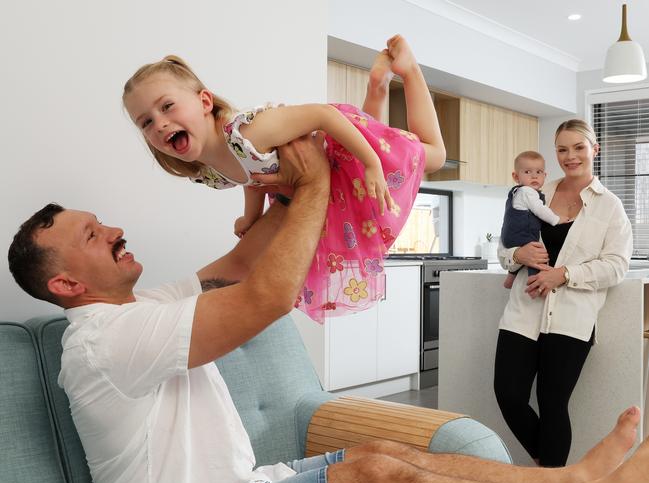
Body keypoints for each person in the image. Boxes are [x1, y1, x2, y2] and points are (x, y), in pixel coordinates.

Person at [6, 136, 649, 483]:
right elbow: (265, 296)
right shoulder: (101, 344)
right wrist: (314, 184)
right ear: (65, 284)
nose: (114, 229)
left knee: (383, 445)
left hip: (253, 477)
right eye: (93, 235)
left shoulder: (139, 307)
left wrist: (293, 185)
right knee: (374, 473)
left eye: (100, 222)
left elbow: (237, 266)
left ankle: (570, 481)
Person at [121, 34, 447, 323]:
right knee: (356, 179)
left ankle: (409, 70)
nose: (160, 123)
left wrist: (373, 162)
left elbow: (323, 115)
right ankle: (376, 85)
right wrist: (251, 216)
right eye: (146, 122)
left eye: (167, 107)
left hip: (340, 137)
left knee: (433, 154)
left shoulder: (248, 131)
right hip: (333, 160)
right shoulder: (209, 171)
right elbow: (252, 176)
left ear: (205, 102)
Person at [495, 119, 633, 467]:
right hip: (523, 312)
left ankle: (549, 476)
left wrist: (565, 274)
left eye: (578, 147)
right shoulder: (534, 192)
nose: (570, 156)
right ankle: (554, 471)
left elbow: (616, 265)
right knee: (508, 394)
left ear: (594, 149)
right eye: (561, 149)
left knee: (553, 403)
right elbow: (506, 246)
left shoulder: (610, 206)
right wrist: (516, 256)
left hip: (571, 320)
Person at [501, 151, 567, 290]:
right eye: (527, 172)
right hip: (523, 234)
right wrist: (557, 219)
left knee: (528, 255)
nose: (534, 176)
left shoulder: (516, 192)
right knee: (537, 257)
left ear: (545, 175)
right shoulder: (527, 192)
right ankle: (534, 282)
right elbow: (540, 210)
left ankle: (510, 278)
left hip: (509, 237)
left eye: (539, 172)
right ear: (516, 176)